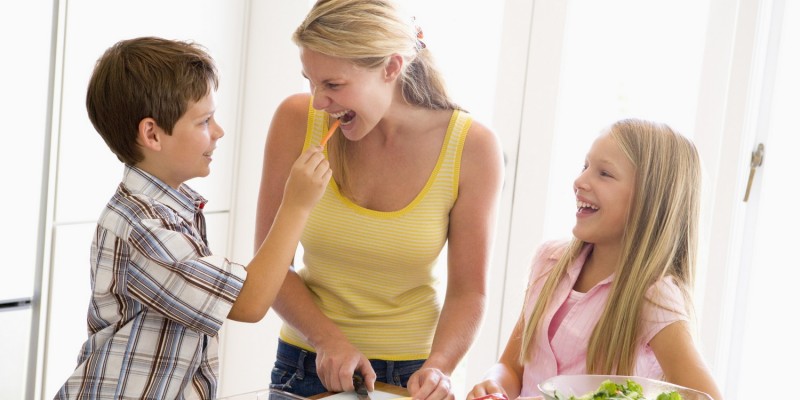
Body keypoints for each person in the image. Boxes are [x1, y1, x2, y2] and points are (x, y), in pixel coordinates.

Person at [54, 36, 331, 399]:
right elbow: (249, 303)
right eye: (204, 121)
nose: (218, 132)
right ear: (152, 133)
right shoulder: (144, 228)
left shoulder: (173, 209)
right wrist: (295, 206)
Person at [253, 1, 504, 399]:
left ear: (390, 67)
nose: (318, 101)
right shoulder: (296, 120)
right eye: (310, 81)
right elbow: (270, 265)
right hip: (305, 363)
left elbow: (469, 291)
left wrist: (439, 366)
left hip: (410, 377)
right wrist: (327, 340)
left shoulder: (473, 149)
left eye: (333, 85)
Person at [466, 119, 723, 400]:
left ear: (649, 199)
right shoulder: (550, 261)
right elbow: (512, 367)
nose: (580, 181)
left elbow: (706, 396)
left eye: (604, 173)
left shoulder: (654, 296)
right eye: (585, 167)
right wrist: (494, 384)